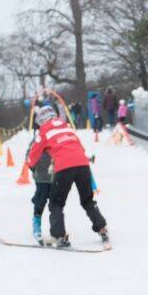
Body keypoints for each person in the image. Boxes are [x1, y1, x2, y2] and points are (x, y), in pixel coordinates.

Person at [27, 106, 109, 248]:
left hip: (65, 167)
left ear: (41, 120)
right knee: (87, 200)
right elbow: (80, 148)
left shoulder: (44, 130)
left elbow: (34, 153)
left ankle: (59, 236)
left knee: (56, 203)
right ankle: (102, 228)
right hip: (83, 165)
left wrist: (31, 165)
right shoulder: (67, 127)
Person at [27, 107, 54, 244]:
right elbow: (29, 156)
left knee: (55, 202)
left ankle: (56, 228)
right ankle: (36, 221)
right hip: (42, 175)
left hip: (55, 174)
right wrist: (34, 170)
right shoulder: (38, 137)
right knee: (41, 199)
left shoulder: (56, 134)